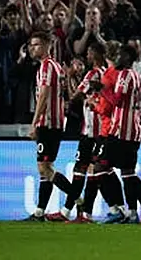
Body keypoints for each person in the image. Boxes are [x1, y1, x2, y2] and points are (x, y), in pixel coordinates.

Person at [101, 44, 141, 224]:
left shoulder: (125, 75)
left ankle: (118, 209)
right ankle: (135, 212)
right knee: (128, 173)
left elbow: (117, 101)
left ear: (127, 58)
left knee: (101, 167)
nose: (116, 58)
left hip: (122, 132)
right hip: (130, 131)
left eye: (119, 55)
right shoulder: (135, 76)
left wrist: (100, 89)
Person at [52, 42, 107, 222]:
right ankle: (78, 213)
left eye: (89, 53)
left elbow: (76, 95)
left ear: (95, 54)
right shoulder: (107, 73)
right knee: (90, 170)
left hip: (91, 130)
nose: (87, 56)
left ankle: (74, 212)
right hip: (100, 129)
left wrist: (68, 80)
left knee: (82, 170)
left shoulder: (93, 74)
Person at [24, 32, 73, 221]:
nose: (32, 48)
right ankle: (39, 212)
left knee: (44, 168)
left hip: (48, 122)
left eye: (36, 44)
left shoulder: (46, 66)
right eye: (31, 45)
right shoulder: (56, 67)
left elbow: (44, 95)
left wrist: (34, 123)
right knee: (46, 168)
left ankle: (75, 196)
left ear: (46, 46)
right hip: (56, 122)